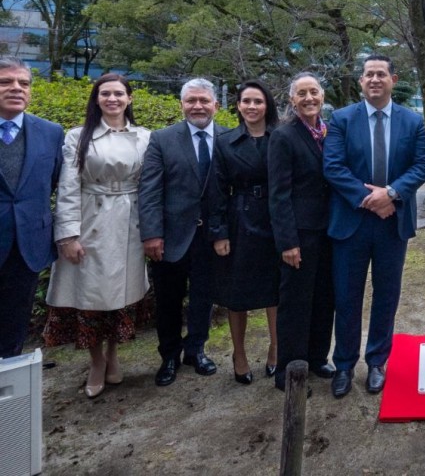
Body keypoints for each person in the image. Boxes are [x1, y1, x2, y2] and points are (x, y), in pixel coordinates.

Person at [323, 54, 425, 398]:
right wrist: (372, 199)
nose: (374, 79)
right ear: (361, 81)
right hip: (351, 224)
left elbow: (421, 166)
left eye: (381, 74)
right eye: (368, 74)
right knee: (347, 297)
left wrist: (392, 194)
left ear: (392, 80)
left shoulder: (413, 122)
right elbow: (334, 167)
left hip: (391, 225)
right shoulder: (340, 119)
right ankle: (343, 365)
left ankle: (377, 363)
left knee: (386, 296)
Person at [44, 74, 150, 398]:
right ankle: (96, 360)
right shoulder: (79, 136)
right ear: (97, 98)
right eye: (105, 93)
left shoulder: (145, 137)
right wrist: (67, 236)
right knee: (90, 295)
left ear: (129, 98)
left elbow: (152, 186)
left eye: (119, 93)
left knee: (121, 295)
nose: (113, 99)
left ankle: (114, 354)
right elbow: (68, 187)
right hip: (92, 220)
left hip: (130, 224)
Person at [139, 78, 228, 386]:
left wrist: (225, 232)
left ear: (216, 104)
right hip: (171, 237)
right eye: (191, 101)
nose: (198, 106)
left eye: (204, 100)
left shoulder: (228, 139)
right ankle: (169, 356)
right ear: (182, 104)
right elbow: (149, 190)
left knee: (204, 297)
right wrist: (151, 234)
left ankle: (196, 350)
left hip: (211, 237)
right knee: (168, 300)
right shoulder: (162, 139)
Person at [208, 80, 280, 385]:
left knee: (275, 290)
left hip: (276, 219)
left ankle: (277, 348)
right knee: (237, 292)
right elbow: (216, 190)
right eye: (246, 101)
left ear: (267, 105)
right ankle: (239, 354)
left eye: (258, 101)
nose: (252, 107)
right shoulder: (225, 142)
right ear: (237, 106)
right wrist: (219, 232)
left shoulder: (281, 137)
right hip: (239, 220)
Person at [268, 72, 335, 392]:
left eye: (314, 92)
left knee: (325, 298)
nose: (309, 98)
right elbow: (278, 194)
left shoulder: (331, 131)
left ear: (322, 96)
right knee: (296, 304)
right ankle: (289, 372)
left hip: (330, 232)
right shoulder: (283, 136)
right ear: (292, 100)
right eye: (302, 94)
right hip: (300, 234)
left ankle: (317, 357)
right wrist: (288, 242)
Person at [0, 56, 63, 359]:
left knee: (15, 320)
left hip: (27, 243)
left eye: (23, 83)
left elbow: (52, 182)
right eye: (6, 82)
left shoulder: (50, 132)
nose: (16, 88)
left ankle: (8, 387)